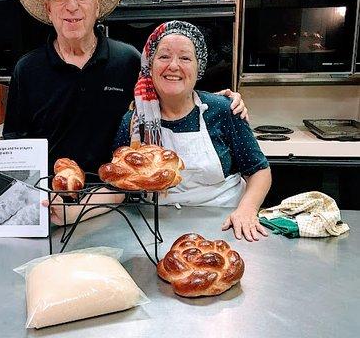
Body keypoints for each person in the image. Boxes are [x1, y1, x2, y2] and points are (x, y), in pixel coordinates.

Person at [0, 0, 247, 224]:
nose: (72, 5)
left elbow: (170, 96)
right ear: (48, 7)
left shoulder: (128, 60)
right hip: (49, 205)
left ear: (97, 4)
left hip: (117, 204)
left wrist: (219, 100)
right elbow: (15, 148)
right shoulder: (27, 70)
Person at [113, 21, 272, 242]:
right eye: (164, 56)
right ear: (150, 65)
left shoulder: (223, 110)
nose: (174, 66)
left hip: (226, 224)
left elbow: (259, 171)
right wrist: (73, 209)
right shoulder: (134, 121)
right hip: (155, 229)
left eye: (185, 58)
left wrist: (247, 210)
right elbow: (118, 184)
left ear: (199, 68)